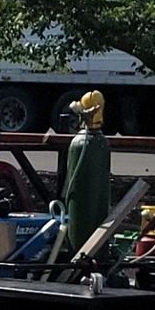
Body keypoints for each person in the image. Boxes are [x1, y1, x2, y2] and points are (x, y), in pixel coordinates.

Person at [57, 87, 113, 259]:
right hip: (83, 242)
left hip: (91, 236)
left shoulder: (90, 144)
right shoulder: (89, 144)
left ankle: (87, 255)